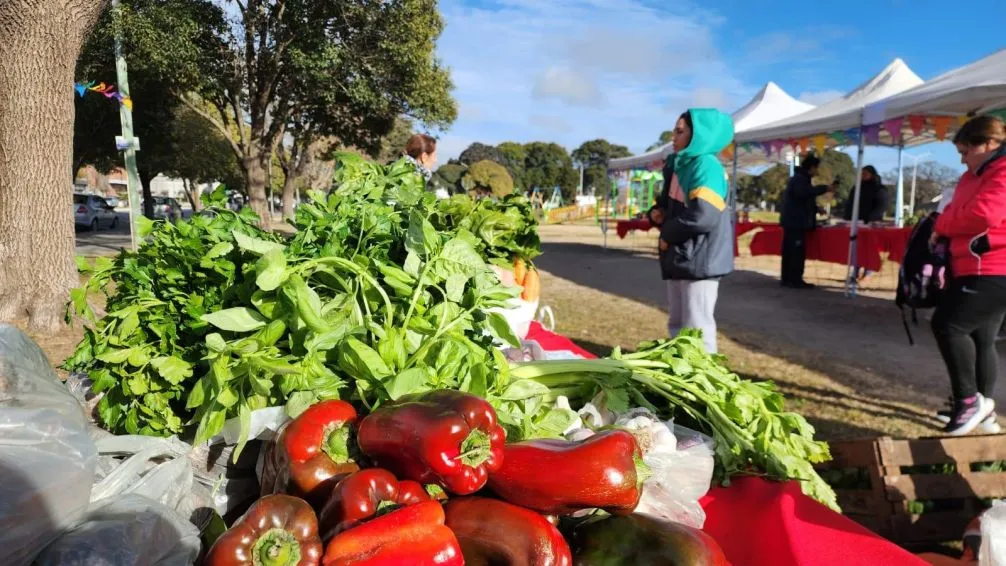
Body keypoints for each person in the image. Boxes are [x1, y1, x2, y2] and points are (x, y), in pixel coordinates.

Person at [930, 115, 1006, 435]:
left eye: (965, 152)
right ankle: (984, 411)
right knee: (981, 337)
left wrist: (943, 225)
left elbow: (982, 215)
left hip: (993, 268)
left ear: (988, 144)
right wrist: (947, 221)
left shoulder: (1002, 172)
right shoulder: (972, 176)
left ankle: (968, 401)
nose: (962, 160)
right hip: (971, 265)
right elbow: (953, 209)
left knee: (948, 325)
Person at [653, 108, 735, 354]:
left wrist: (667, 234)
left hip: (699, 258)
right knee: (678, 326)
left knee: (697, 331)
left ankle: (702, 376)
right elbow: (671, 206)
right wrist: (656, 213)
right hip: (682, 255)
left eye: (680, 131)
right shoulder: (680, 164)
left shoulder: (706, 166)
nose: (673, 137)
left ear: (699, 135)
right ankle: (679, 372)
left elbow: (703, 217)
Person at [779, 155, 837, 289]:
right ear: (812, 168)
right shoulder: (800, 180)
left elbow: (802, 199)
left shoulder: (799, 179)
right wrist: (825, 188)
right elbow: (803, 193)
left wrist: (816, 208)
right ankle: (795, 279)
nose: (818, 171)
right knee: (796, 251)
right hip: (796, 222)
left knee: (790, 250)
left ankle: (788, 278)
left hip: (792, 221)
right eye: (817, 168)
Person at [844, 165, 889, 279]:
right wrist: (848, 217)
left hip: (872, 223)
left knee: (870, 247)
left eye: (865, 174)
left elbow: (882, 206)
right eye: (861, 174)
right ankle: (855, 270)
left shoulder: (879, 189)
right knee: (857, 247)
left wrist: (871, 218)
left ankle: (869, 270)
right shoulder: (857, 188)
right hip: (857, 222)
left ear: (872, 175)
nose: (863, 176)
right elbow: (850, 203)